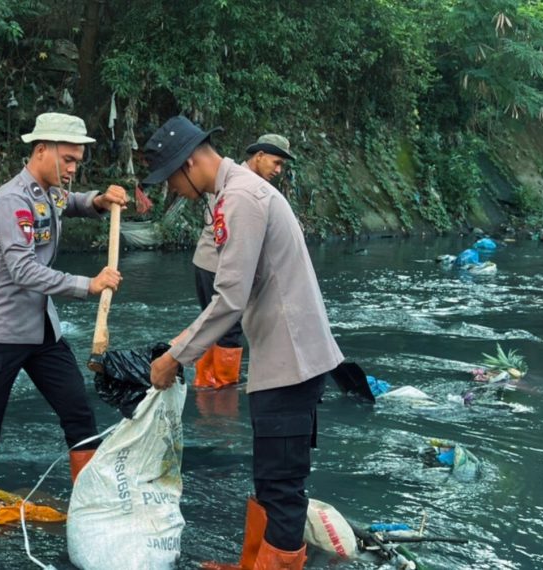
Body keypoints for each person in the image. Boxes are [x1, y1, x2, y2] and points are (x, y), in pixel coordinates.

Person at [143, 117, 343, 570]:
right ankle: (252, 564)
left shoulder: (241, 198)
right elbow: (240, 290)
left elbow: (230, 297)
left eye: (173, 179)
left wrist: (175, 358)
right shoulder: (232, 194)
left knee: (282, 484)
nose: (174, 190)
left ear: (190, 162)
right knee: (270, 475)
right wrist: (180, 343)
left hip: (292, 361)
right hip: (284, 356)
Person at [0, 113, 129, 534]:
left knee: (79, 414)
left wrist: (97, 200)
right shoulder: (11, 200)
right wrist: (88, 285)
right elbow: (23, 271)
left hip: (43, 333)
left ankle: (90, 513)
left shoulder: (49, 191)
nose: (74, 169)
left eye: (78, 161)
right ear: (42, 150)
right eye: (70, 160)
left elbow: (69, 204)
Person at [192, 133, 295, 390]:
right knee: (227, 327)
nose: (279, 170)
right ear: (259, 157)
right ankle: (223, 386)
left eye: (282, 165)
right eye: (276, 163)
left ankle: (207, 383)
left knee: (217, 325)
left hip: (211, 262)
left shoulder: (245, 182)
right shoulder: (239, 184)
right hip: (215, 264)